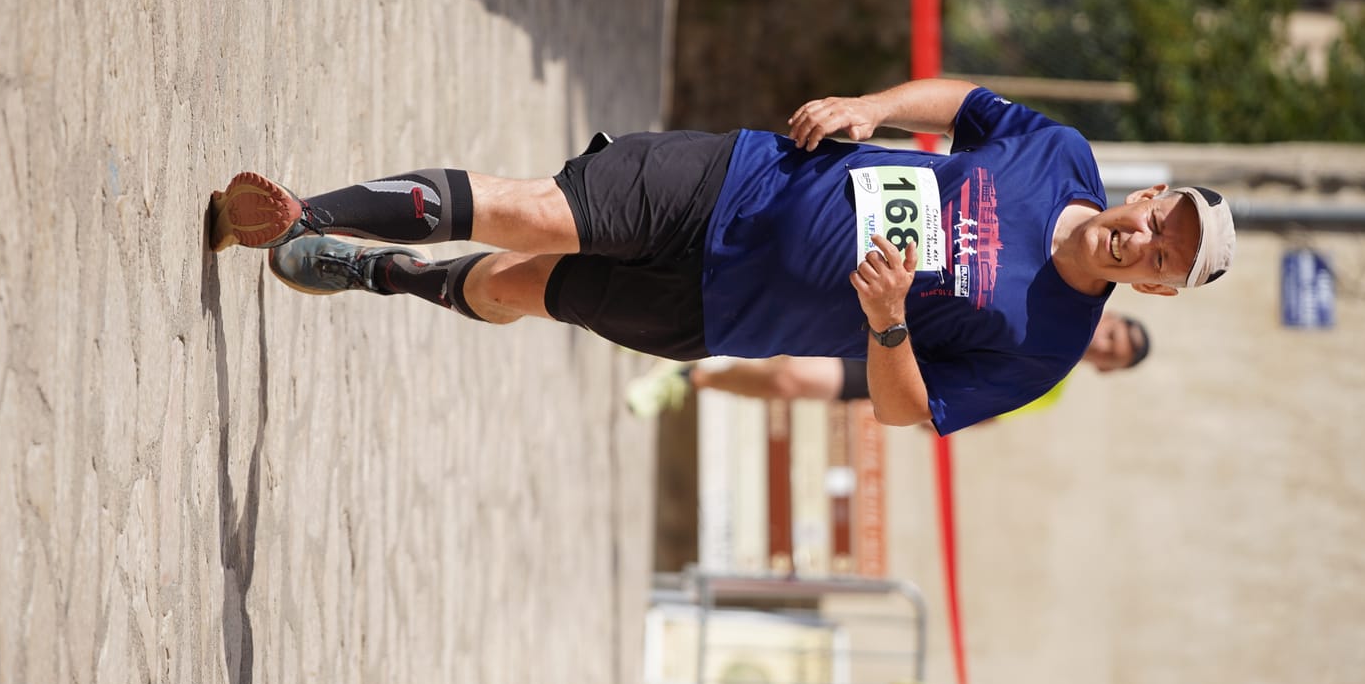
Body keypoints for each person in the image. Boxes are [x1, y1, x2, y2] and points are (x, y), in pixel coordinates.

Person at [206, 78, 1234, 433]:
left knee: (521, 286)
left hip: (721, 312)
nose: (1146, 243)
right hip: (741, 179)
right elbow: (967, 102)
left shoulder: (1044, 347)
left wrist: (886, 323)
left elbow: (906, 410)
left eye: (1164, 261)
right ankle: (302, 213)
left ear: (1156, 288)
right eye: (1162, 223)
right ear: (1150, 197)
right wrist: (871, 106)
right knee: (539, 211)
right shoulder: (1059, 155)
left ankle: (379, 271)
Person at [623, 311, 1151, 419]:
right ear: (1108, 316)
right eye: (1112, 335)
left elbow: (985, 409)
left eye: (1113, 355)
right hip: (902, 315)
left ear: (1106, 370)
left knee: (790, 379)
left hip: (905, 370)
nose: (1103, 346)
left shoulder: (1050, 387)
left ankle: (692, 377)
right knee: (783, 325)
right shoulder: (1053, 302)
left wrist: (931, 415)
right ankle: (677, 334)